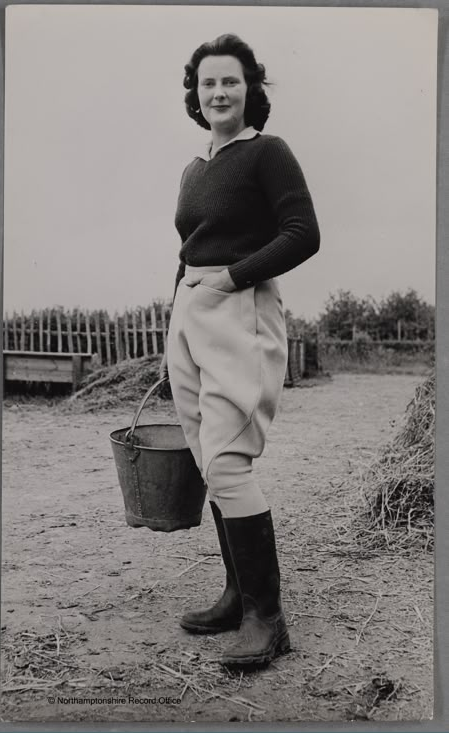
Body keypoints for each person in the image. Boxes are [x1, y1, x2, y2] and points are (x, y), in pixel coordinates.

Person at [159, 33, 320, 668]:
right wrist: (180, 308)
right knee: (207, 459)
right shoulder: (195, 168)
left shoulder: (268, 153)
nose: (218, 92)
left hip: (240, 303)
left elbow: (304, 233)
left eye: (230, 80)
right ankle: (236, 595)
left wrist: (231, 278)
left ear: (251, 89)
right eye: (207, 83)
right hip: (192, 309)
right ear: (195, 96)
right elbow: (188, 243)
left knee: (228, 462)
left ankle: (267, 619)